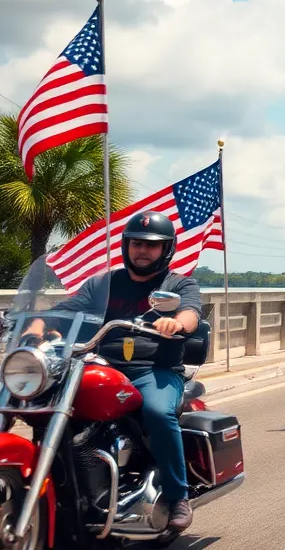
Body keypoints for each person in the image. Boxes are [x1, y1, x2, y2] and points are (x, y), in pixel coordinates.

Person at [35, 212, 204, 532]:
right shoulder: (104, 283)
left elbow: (191, 312)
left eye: (151, 246)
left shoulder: (179, 283)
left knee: (157, 412)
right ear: (126, 245)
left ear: (166, 249)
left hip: (155, 370)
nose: (142, 250)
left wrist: (178, 323)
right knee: (39, 397)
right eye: (137, 243)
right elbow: (64, 312)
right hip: (100, 365)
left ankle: (177, 495)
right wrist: (36, 324)